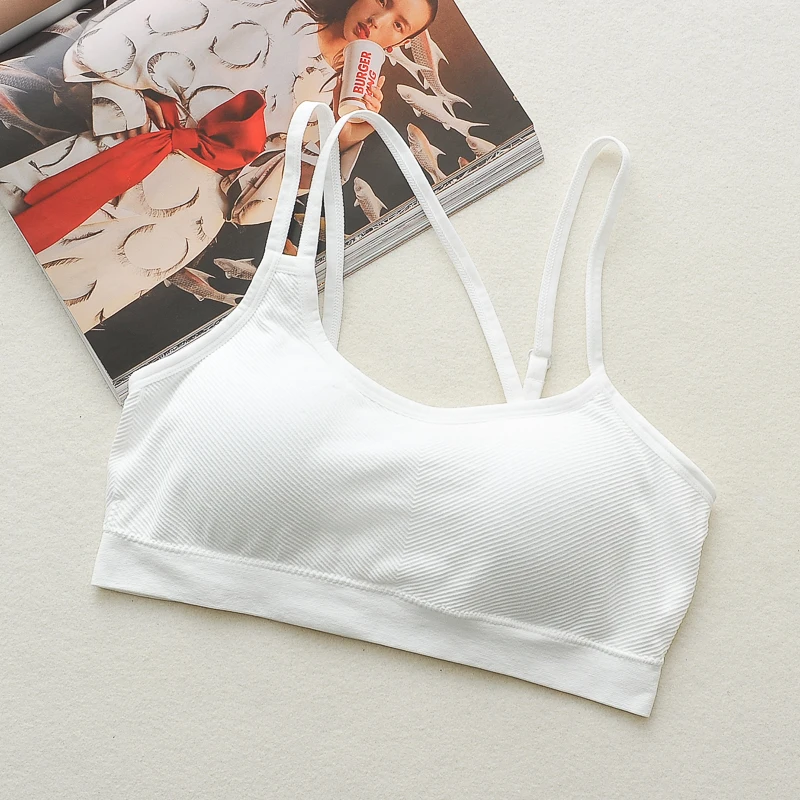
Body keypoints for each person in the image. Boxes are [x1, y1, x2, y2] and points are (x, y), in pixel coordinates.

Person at [0, 0, 439, 333]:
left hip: (178, 224)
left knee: (51, 318)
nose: (379, 20)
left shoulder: (339, 103)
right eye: (383, 0)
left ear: (398, 44)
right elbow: (126, 36)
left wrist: (345, 136)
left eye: (398, 23)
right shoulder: (276, 10)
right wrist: (129, 107)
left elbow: (253, 203)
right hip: (130, 148)